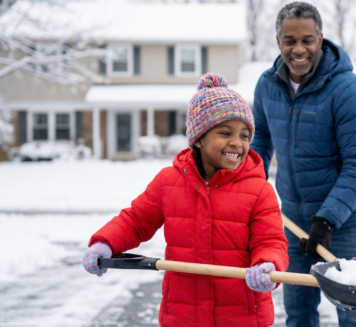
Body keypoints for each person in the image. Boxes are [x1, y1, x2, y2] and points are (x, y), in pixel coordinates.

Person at [81, 73, 289, 327]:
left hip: (240, 314)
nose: (237, 143)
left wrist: (267, 265)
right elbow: (136, 220)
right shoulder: (169, 181)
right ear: (199, 138)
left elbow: (271, 242)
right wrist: (105, 243)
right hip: (183, 313)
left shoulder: (259, 190)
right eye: (225, 133)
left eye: (245, 135)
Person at [251, 2, 356, 327]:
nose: (299, 49)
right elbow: (260, 143)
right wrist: (248, 189)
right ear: (278, 40)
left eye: (307, 39)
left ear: (320, 39)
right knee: (299, 310)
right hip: (294, 221)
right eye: (289, 40)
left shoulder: (348, 91)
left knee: (353, 311)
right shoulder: (267, 86)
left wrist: (327, 219)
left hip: (346, 223)